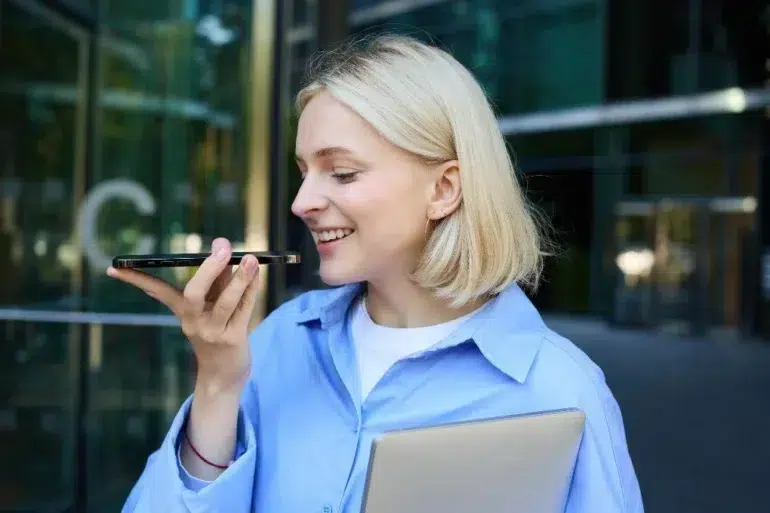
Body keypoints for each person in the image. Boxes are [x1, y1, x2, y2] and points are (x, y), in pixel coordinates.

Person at [112, 34, 644, 513]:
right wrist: (217, 387)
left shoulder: (560, 390)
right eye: (304, 172)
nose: (301, 203)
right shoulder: (278, 343)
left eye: (341, 173)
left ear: (444, 190)